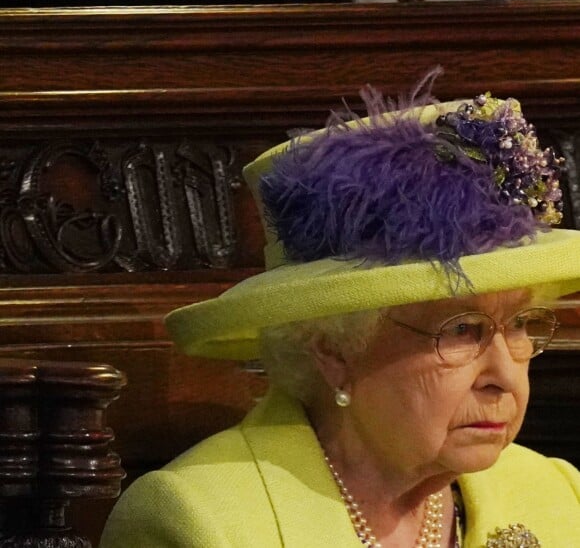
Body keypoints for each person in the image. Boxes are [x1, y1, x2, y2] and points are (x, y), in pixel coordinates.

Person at [100, 70, 580, 547]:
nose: (504, 374)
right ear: (333, 350)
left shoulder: (558, 494)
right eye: (462, 331)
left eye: (518, 325)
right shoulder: (198, 522)